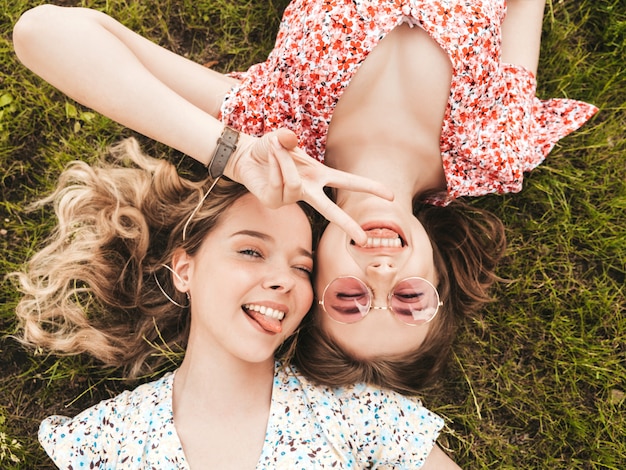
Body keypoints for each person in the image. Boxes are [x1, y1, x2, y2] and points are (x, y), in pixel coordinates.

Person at [12, 0, 598, 394]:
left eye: (349, 298)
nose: (383, 275)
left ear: (314, 272)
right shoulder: (495, 150)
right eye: (409, 299)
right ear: (439, 276)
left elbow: (44, 32)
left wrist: (234, 154)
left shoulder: (276, 124)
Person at [12, 139, 458, 468]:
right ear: (185, 270)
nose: (284, 281)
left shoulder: (357, 413)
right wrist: (235, 153)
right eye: (250, 251)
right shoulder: (102, 441)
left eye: (302, 269)